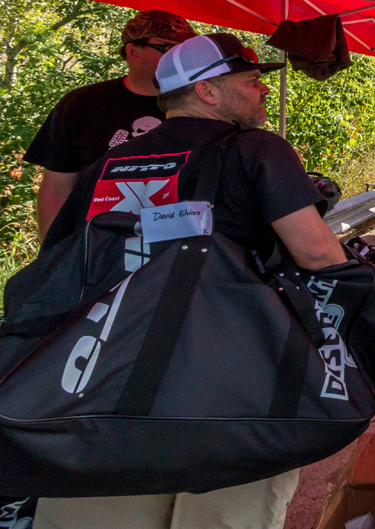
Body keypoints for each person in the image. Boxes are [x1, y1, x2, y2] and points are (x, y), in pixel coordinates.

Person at [35, 32, 349, 529]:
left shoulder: (106, 165)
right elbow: (316, 252)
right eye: (250, 81)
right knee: (223, 514)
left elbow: (58, 261)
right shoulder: (257, 149)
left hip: (108, 379)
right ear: (207, 91)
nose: (263, 90)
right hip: (229, 381)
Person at [26, 9, 196, 239]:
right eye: (168, 49)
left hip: (179, 240)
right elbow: (57, 188)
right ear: (134, 51)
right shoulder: (83, 104)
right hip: (97, 244)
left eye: (186, 51)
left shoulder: (202, 103)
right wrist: (52, 251)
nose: (179, 58)